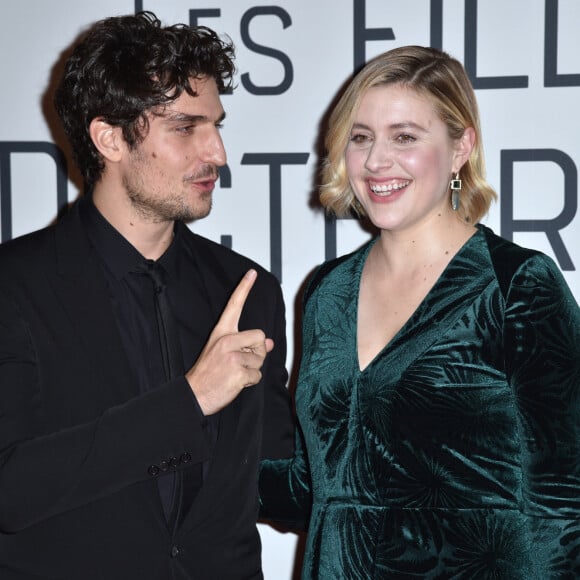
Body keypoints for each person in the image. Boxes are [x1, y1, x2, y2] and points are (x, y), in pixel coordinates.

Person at [259, 45, 580, 578]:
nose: (376, 160)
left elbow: (566, 498)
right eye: (361, 138)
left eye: (404, 137)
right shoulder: (328, 291)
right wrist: (186, 440)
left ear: (460, 148)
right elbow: (313, 483)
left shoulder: (514, 285)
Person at [0, 11, 294, 580]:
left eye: (217, 125)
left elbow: (280, 481)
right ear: (109, 137)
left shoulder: (248, 290)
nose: (217, 154)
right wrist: (189, 402)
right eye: (186, 127)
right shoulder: (14, 288)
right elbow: (10, 489)